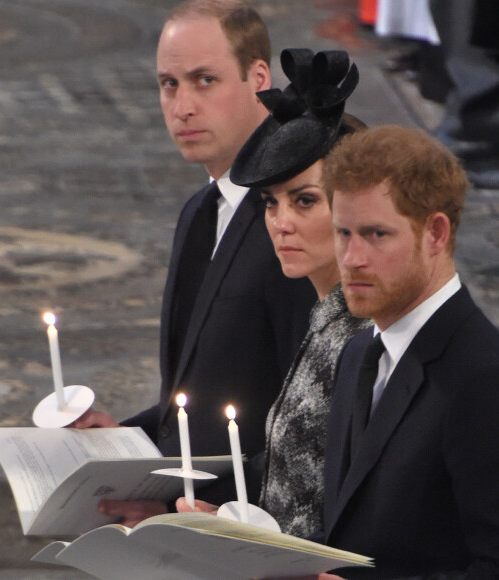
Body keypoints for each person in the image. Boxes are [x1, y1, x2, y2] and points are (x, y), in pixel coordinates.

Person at [277, 125, 499, 579]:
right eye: (343, 233)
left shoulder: (487, 384)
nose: (351, 258)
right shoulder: (356, 355)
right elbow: (356, 540)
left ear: (436, 233)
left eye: (376, 235)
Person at [72, 0, 316, 526]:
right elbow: (202, 393)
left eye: (204, 80)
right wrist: (128, 439)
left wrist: (173, 502)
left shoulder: (292, 221)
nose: (182, 106)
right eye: (169, 84)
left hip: (257, 526)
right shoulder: (199, 211)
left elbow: (311, 417)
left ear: (259, 78)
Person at [177, 47, 371, 538]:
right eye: (270, 203)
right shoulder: (325, 315)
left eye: (304, 201)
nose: (280, 224)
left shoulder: (370, 334)